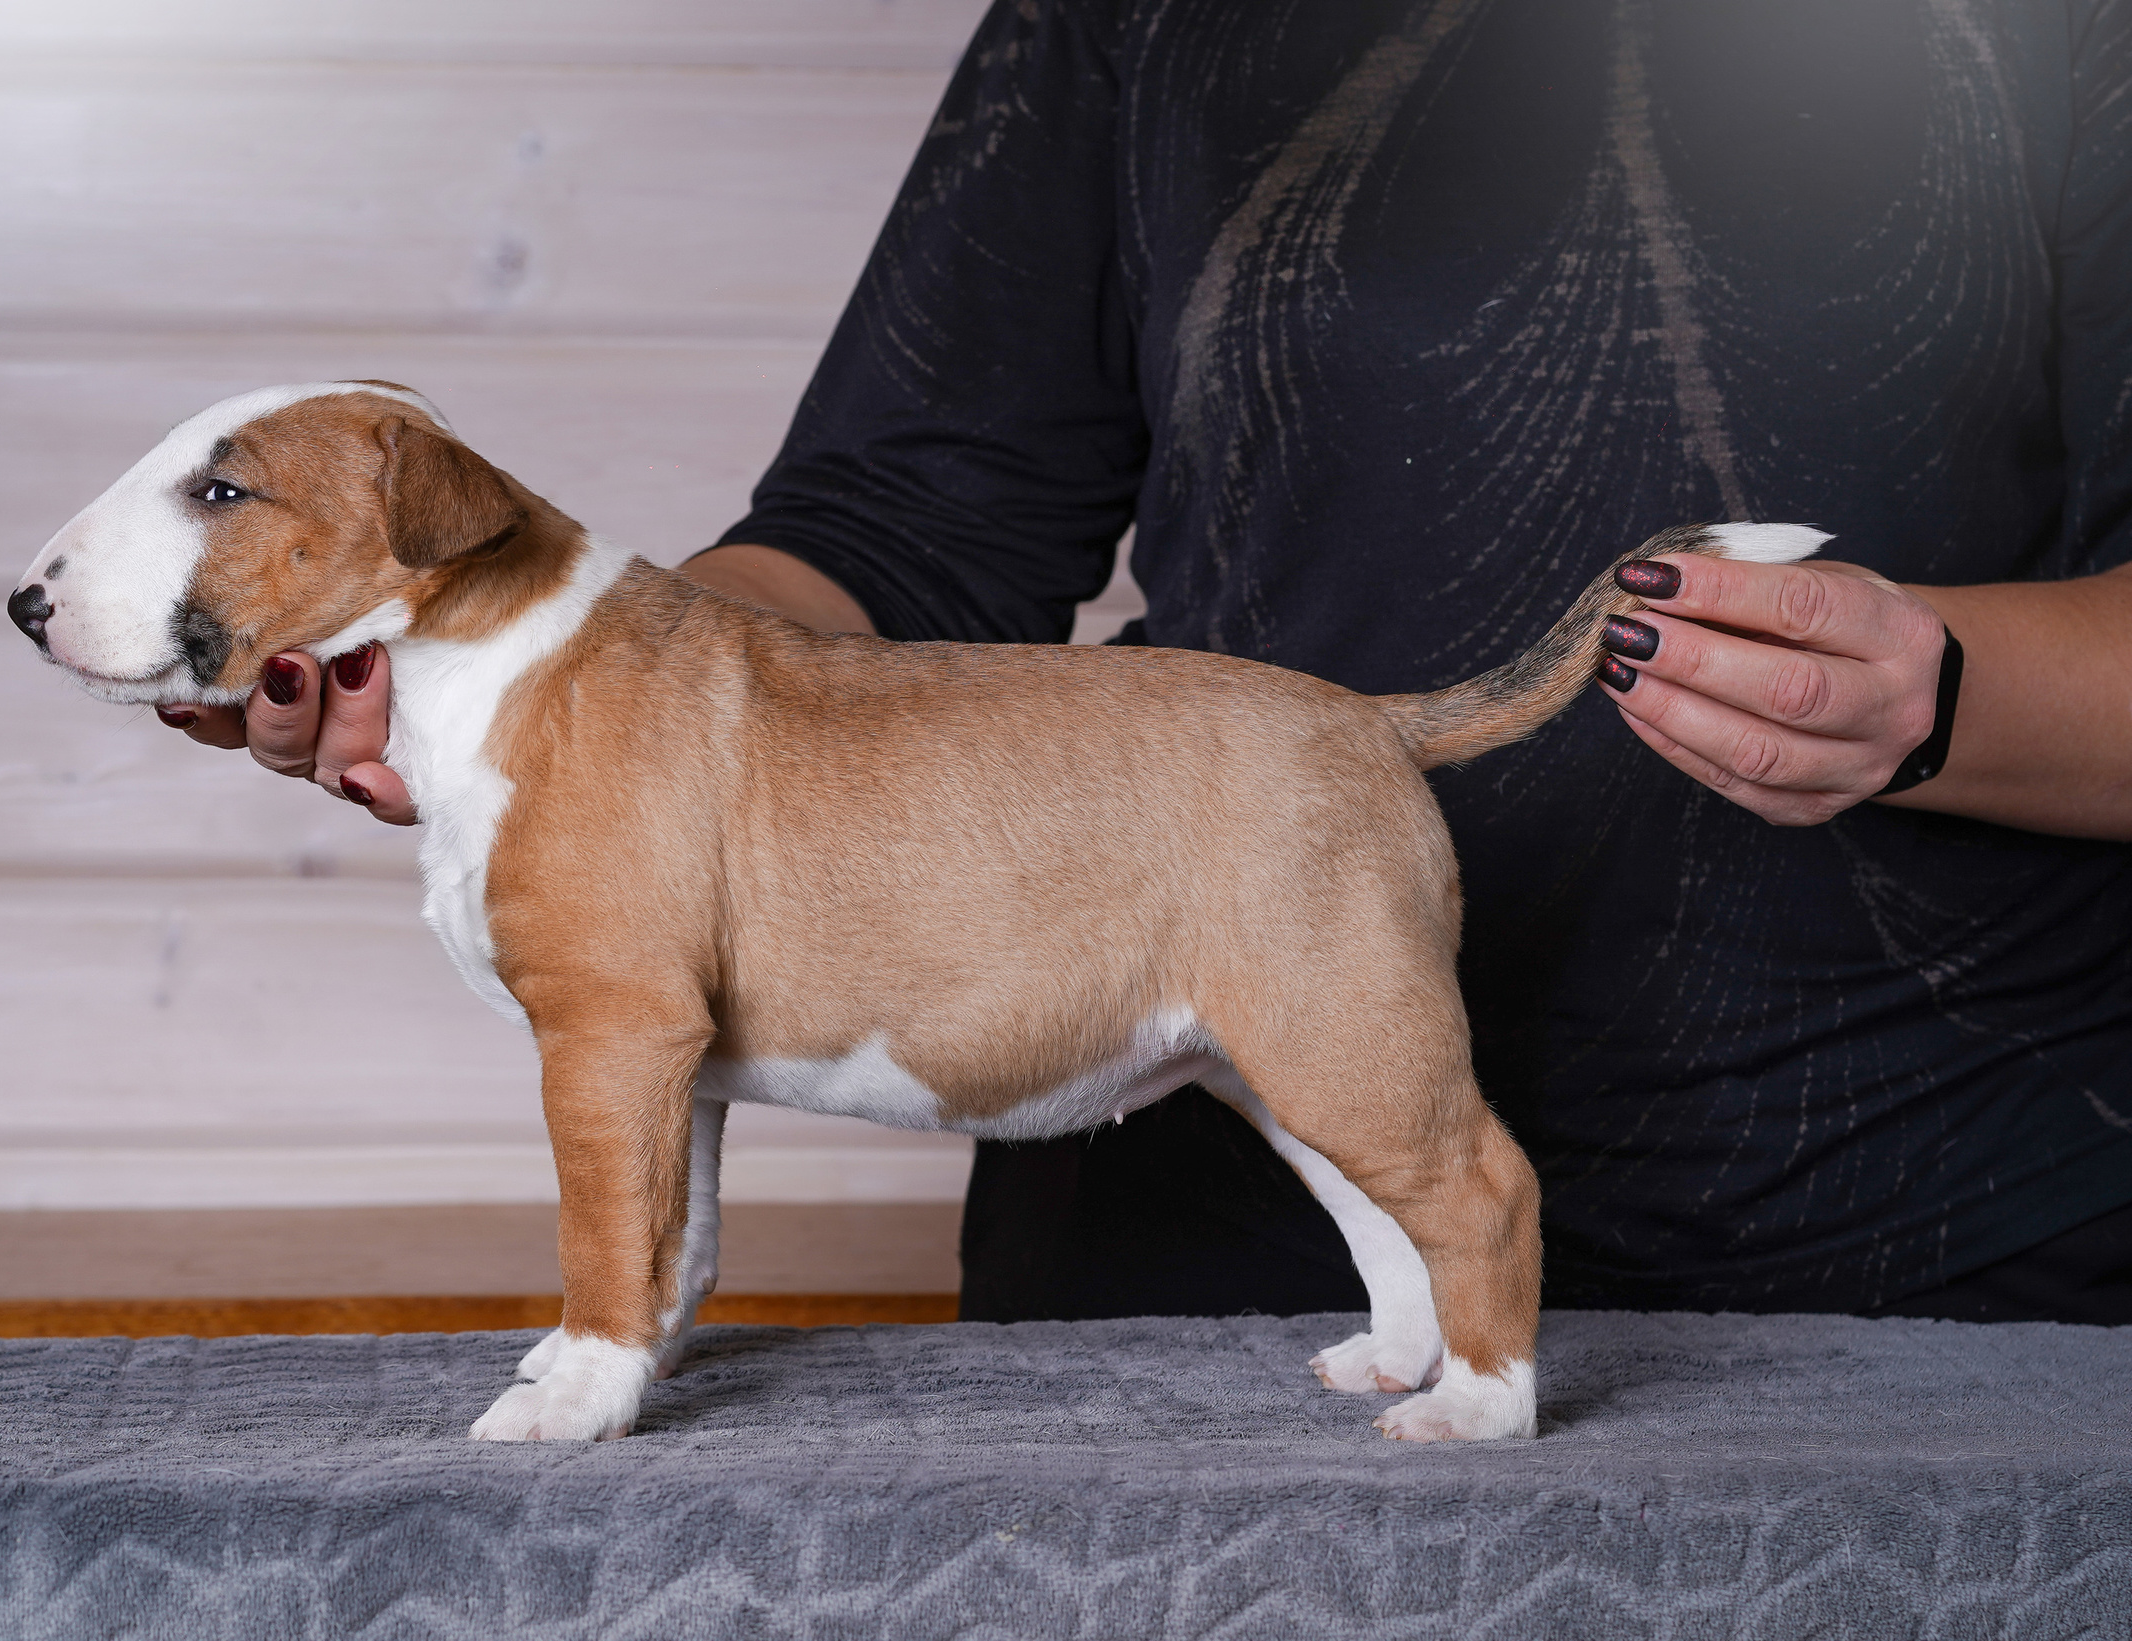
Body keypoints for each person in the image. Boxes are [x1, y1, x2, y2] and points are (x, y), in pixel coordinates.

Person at [158, 0, 2132, 1325]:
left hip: (1956, 1239)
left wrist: (1944, 693)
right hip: (1210, 1249)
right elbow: (909, 529)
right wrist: (540, 694)